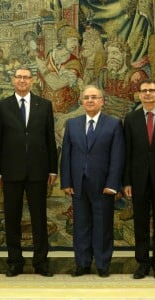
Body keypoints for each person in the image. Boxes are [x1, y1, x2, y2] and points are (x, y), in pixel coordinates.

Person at [0, 66, 57, 277]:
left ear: (32, 81)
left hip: (38, 171)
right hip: (11, 172)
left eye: (26, 77)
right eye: (18, 77)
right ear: (13, 80)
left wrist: (52, 169)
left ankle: (41, 262)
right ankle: (15, 262)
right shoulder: (2, 106)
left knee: (39, 218)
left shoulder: (44, 105)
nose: (22, 80)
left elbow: (50, 139)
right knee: (12, 218)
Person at [60, 85, 124, 277]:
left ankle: (103, 265)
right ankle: (82, 264)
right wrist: (66, 182)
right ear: (81, 101)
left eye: (94, 97)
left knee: (103, 226)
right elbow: (66, 156)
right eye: (86, 97)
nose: (90, 100)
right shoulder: (72, 124)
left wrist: (113, 184)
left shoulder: (113, 124)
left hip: (103, 185)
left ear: (102, 101)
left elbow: (117, 156)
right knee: (81, 226)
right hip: (78, 185)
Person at [123, 78, 155, 279]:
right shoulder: (131, 119)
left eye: (152, 90)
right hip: (138, 180)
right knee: (140, 223)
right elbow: (126, 152)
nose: (148, 94)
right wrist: (126, 181)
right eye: (144, 91)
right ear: (139, 94)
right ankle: (142, 263)